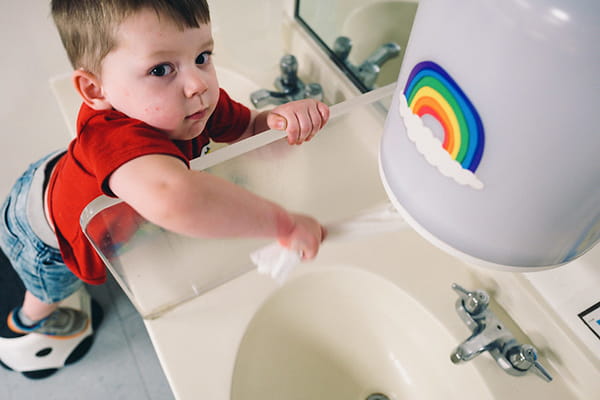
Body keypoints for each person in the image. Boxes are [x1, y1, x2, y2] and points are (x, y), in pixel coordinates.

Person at [0, 0, 329, 344]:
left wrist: (279, 121)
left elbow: (248, 131)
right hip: (40, 235)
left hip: (58, 175)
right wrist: (285, 226)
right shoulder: (112, 136)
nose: (198, 83)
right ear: (95, 90)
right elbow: (173, 198)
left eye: (202, 56)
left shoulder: (194, 104)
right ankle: (28, 323)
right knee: (49, 290)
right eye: (160, 69)